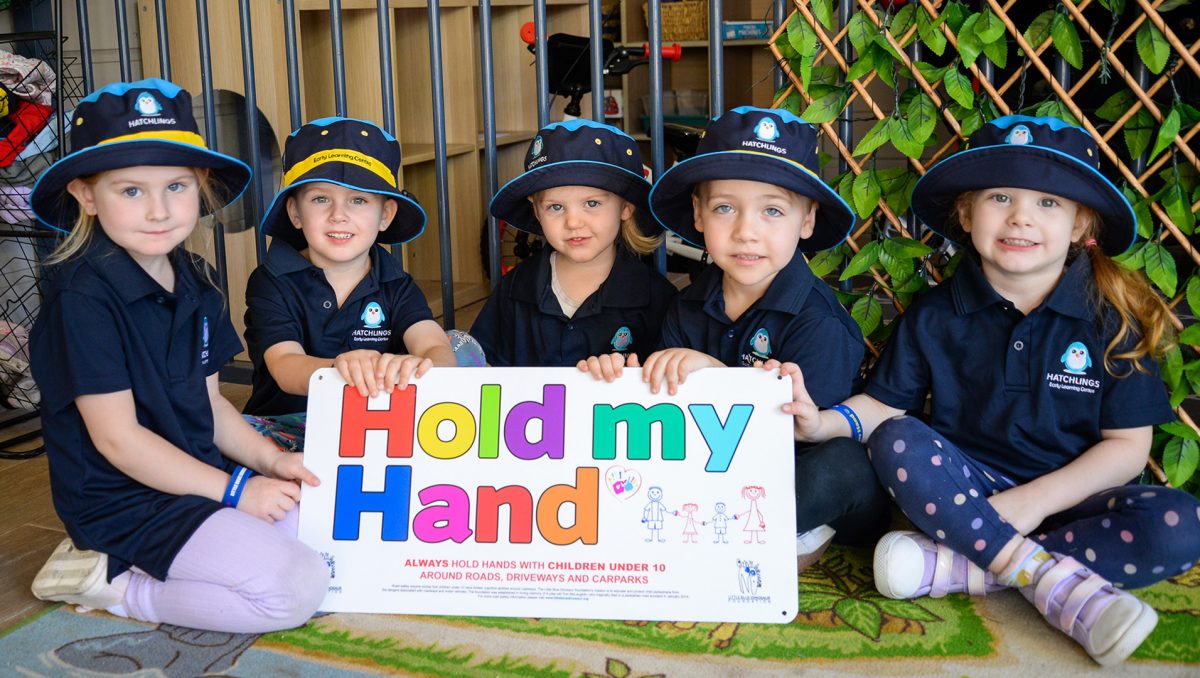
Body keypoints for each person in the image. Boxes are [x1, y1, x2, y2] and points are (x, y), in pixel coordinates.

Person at [779, 115, 1200, 665]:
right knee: (898, 439)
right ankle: (1039, 575)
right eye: (1000, 197)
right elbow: (884, 409)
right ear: (967, 212)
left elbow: (1127, 447)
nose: (1021, 217)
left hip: (1074, 501)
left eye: (1048, 203)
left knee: (1180, 524)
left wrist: (1032, 502)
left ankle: (954, 569)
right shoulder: (935, 314)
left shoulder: (1112, 319)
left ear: (1079, 224)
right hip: (965, 494)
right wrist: (823, 423)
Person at [26, 78, 328, 633]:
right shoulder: (81, 300)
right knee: (294, 592)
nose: (159, 209)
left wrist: (270, 462)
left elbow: (210, 409)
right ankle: (117, 586)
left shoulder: (198, 281)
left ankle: (195, 553)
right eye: (131, 190)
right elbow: (119, 440)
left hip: (196, 478)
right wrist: (238, 492)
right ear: (87, 196)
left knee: (330, 539)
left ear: (202, 187)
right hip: (125, 503)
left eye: (176, 186)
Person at [580, 107, 891, 569]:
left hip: (794, 474)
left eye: (772, 210)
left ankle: (773, 536)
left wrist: (718, 377)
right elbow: (670, 422)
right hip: (712, 477)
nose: (746, 231)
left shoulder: (819, 320)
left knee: (845, 464)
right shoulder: (685, 305)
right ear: (699, 215)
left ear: (806, 221)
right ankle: (701, 529)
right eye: (725, 207)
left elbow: (796, 435)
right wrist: (621, 377)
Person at [242, 117, 455, 430]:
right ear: (295, 213)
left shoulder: (396, 284)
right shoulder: (272, 281)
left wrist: (417, 365)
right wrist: (340, 367)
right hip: (287, 426)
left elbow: (437, 349)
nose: (338, 215)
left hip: (374, 427)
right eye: (320, 199)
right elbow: (286, 365)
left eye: (358, 199)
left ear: (385, 214)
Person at [469, 119, 676, 366]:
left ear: (626, 206)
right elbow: (481, 365)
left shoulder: (655, 297)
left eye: (592, 203)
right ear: (536, 211)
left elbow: (671, 387)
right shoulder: (515, 288)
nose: (573, 222)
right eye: (556, 207)